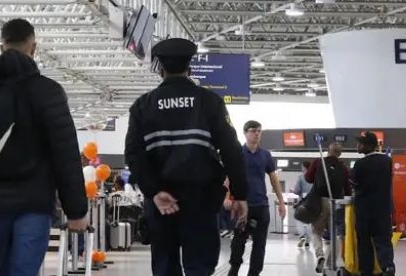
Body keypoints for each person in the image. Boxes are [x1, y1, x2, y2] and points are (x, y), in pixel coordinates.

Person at [0, 18, 88, 276]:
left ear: (1, 48)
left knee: (6, 268)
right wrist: (76, 210)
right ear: (34, 48)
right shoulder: (49, 92)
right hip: (35, 202)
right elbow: (65, 153)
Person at [124, 38, 249, 276]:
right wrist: (240, 194)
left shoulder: (142, 106)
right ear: (190, 68)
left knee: (165, 266)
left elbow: (134, 155)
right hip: (201, 200)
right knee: (199, 266)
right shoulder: (209, 101)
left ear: (160, 69)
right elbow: (231, 150)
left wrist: (154, 191)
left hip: (161, 203)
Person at [228, 120, 286, 276]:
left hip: (261, 206)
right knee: (238, 241)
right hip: (242, 206)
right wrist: (228, 198)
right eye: (253, 130)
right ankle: (234, 268)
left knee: (260, 244)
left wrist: (281, 202)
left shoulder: (266, 155)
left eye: (259, 131)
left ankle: (254, 273)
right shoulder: (237, 153)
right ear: (245, 133)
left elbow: (274, 179)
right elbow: (228, 177)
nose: (256, 134)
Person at [350, 131, 395, 276]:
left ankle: (366, 270)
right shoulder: (387, 161)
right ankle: (388, 266)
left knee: (364, 241)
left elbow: (354, 183)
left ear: (367, 146)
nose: (357, 146)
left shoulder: (359, 164)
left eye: (360, 143)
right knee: (383, 239)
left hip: (364, 210)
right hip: (383, 208)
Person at [305, 143, 351, 272]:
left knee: (316, 232)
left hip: (320, 202)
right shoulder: (344, 168)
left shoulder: (318, 162)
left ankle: (320, 255)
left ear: (327, 151)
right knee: (336, 234)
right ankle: (331, 262)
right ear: (340, 154)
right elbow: (347, 190)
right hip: (336, 203)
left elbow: (308, 178)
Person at [291, 174, 313, 250]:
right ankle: (308, 241)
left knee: (299, 220)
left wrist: (292, 190)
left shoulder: (301, 177)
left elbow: (296, 191)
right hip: (312, 202)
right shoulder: (315, 177)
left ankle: (302, 236)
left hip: (302, 202)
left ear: (303, 167)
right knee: (309, 222)